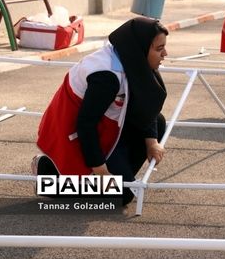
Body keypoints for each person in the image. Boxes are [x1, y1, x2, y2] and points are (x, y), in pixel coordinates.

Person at [32, 17, 169, 206]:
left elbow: (146, 105)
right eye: (159, 49)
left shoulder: (132, 58)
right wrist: (100, 170)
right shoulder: (106, 77)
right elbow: (85, 124)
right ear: (141, 48)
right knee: (119, 196)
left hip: (108, 127)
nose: (165, 54)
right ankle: (48, 174)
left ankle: (120, 177)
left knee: (158, 122)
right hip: (76, 133)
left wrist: (152, 142)